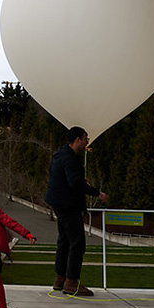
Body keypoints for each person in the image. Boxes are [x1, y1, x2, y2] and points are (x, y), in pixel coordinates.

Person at [45, 126, 108, 297]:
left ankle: (60, 278)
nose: (87, 142)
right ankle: (71, 282)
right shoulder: (69, 158)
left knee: (64, 240)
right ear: (78, 139)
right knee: (77, 243)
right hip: (68, 204)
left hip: (59, 202)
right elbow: (75, 183)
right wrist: (98, 193)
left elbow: (63, 178)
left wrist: (79, 179)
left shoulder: (60, 155)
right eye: (86, 138)